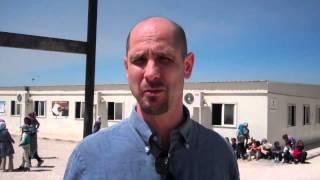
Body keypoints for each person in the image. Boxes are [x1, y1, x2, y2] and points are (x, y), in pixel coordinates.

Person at [64, 16, 239, 180]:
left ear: (187, 66)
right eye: (139, 59)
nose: (151, 73)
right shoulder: (88, 158)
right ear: (127, 68)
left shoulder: (220, 154)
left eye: (164, 58)